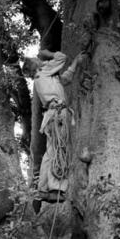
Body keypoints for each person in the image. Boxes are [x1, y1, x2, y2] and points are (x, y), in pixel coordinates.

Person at [22, 49, 87, 202]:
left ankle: (43, 188)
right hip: (57, 113)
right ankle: (56, 188)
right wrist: (47, 54)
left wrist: (76, 62)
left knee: (51, 151)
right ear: (35, 66)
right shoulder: (43, 71)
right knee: (60, 149)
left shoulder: (45, 76)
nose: (40, 60)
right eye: (37, 60)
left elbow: (64, 79)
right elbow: (61, 57)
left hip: (53, 114)